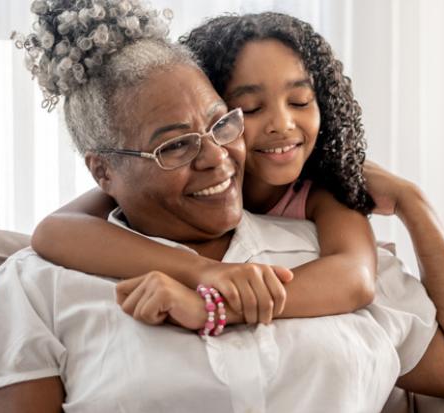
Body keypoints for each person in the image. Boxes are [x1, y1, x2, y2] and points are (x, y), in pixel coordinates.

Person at [0, 1, 444, 413]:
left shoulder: (325, 234)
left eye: (222, 123)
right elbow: (54, 232)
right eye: (174, 145)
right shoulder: (37, 285)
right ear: (104, 172)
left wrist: (416, 205)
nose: (217, 159)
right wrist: (209, 276)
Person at [30, 12, 379, 322]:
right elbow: (54, 231)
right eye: (252, 108)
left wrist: (215, 307)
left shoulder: (320, 190)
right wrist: (204, 272)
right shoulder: (155, 183)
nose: (282, 125)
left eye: (300, 101)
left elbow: (355, 277)